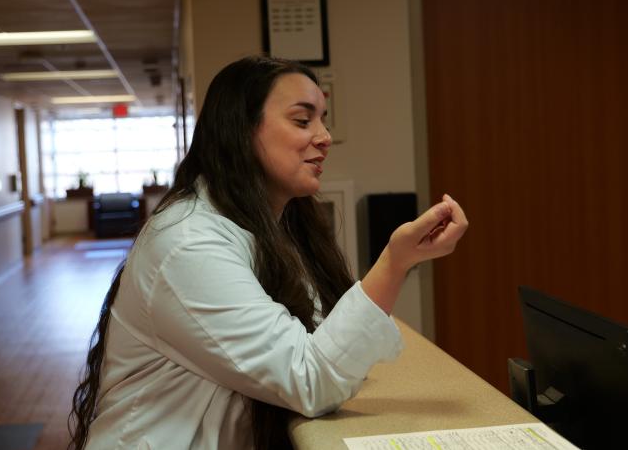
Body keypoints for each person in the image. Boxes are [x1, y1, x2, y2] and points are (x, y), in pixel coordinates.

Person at [68, 56, 468, 450]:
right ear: (242, 131)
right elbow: (312, 380)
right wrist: (395, 262)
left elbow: (320, 339)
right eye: (302, 120)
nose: (325, 136)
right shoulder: (189, 244)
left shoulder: (271, 227)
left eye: (323, 119)